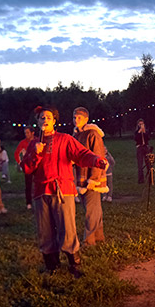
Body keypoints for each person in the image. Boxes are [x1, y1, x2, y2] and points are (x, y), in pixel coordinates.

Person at [21, 106, 108, 278]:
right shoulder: (33, 144)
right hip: (41, 192)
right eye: (41, 117)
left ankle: (74, 264)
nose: (45, 120)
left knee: (67, 228)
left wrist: (97, 160)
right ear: (38, 122)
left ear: (54, 121)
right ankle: (51, 266)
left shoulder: (65, 139)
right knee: (45, 231)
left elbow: (81, 154)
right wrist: (35, 154)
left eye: (48, 117)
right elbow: (26, 168)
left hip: (63, 190)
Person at [72, 107, 108, 246]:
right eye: (74, 117)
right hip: (81, 175)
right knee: (94, 208)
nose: (76, 120)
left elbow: (99, 156)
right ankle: (98, 236)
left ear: (86, 119)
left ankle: (89, 240)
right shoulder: (77, 135)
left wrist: (93, 179)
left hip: (91, 177)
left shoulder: (92, 134)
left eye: (79, 118)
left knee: (91, 209)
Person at [14, 127, 36, 209]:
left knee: (38, 183)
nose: (26, 134)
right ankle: (29, 202)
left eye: (27, 132)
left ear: (32, 133)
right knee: (28, 184)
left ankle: (38, 200)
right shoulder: (23, 142)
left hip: (37, 165)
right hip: (28, 166)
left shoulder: (37, 141)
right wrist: (20, 163)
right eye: (25, 133)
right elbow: (16, 153)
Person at [134, 119, 150, 184]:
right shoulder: (136, 132)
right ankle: (141, 179)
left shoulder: (146, 131)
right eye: (140, 124)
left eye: (142, 124)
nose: (141, 125)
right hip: (140, 147)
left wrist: (144, 132)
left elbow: (148, 138)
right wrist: (139, 132)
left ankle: (149, 178)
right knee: (140, 164)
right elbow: (136, 139)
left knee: (148, 163)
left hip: (145, 147)